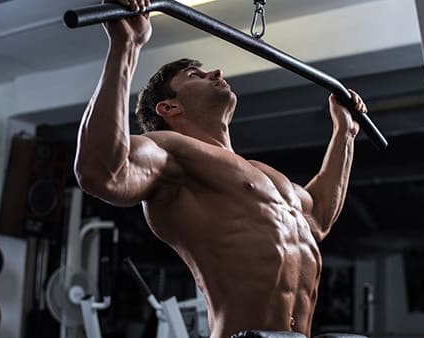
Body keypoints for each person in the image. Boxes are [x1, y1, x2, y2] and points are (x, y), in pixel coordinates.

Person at [74, 1, 368, 337]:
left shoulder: (264, 175)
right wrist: (126, 46)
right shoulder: (171, 152)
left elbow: (318, 218)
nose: (217, 73)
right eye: (194, 75)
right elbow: (101, 172)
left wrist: (345, 132)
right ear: (169, 106)